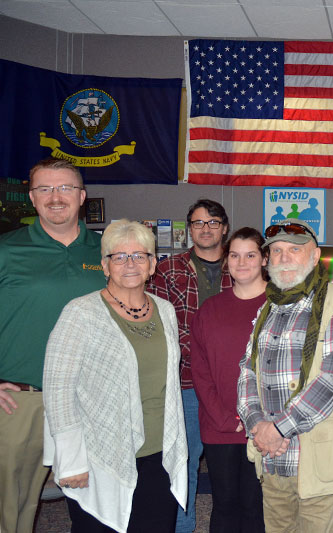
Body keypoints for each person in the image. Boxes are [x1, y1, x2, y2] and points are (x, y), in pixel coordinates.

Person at [43, 219, 188, 532]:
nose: (130, 264)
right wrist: (71, 460)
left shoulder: (164, 310)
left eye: (139, 255)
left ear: (152, 264)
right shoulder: (80, 313)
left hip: (158, 452)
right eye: (119, 256)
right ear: (105, 266)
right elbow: (58, 390)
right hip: (100, 454)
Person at [238, 218, 333, 533]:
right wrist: (257, 424)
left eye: (295, 250)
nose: (284, 257)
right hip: (273, 460)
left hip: (322, 462)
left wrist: (278, 431)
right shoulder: (268, 309)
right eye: (277, 250)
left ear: (314, 256)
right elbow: (248, 369)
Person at [0, 157, 105, 533]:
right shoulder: (6, 250)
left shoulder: (107, 252)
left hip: (89, 400)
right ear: (31, 198)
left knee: (99, 503)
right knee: (11, 507)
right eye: (45, 188)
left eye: (64, 188)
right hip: (21, 402)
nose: (55, 197)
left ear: (82, 196)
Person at [148, 198, 232, 533]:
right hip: (186, 385)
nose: (206, 229)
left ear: (224, 227)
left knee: (235, 465)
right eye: (198, 223)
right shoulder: (168, 270)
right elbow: (164, 328)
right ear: (189, 230)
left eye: (213, 222)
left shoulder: (245, 266)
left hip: (233, 385)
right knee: (181, 464)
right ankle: (183, 527)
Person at [191, 227, 267, 533]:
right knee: (224, 505)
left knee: (255, 506)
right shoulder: (210, 309)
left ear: (264, 259)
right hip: (220, 425)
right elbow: (200, 371)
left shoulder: (280, 306)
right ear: (226, 260)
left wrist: (261, 422)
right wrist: (224, 418)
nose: (242, 262)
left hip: (264, 427)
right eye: (234, 255)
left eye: (250, 255)